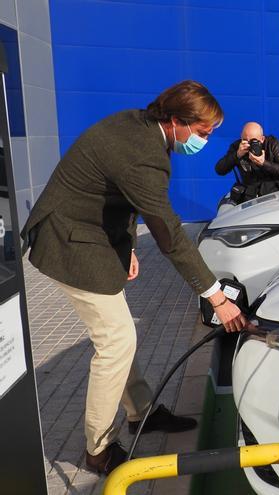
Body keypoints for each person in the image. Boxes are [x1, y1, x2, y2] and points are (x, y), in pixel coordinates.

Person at [20, 80, 252, 476]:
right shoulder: (143, 152)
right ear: (177, 120)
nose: (206, 140)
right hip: (69, 241)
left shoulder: (143, 128)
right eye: (201, 132)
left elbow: (123, 197)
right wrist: (216, 297)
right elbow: (170, 234)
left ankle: (141, 412)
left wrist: (126, 249)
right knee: (116, 342)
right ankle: (99, 449)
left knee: (120, 335)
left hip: (92, 232)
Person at [215, 122, 279, 204]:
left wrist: (264, 163)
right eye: (244, 140)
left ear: (262, 139)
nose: (248, 144)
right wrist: (237, 155)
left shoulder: (271, 144)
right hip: (250, 196)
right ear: (241, 137)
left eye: (253, 141)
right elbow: (220, 170)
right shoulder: (237, 147)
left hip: (273, 194)